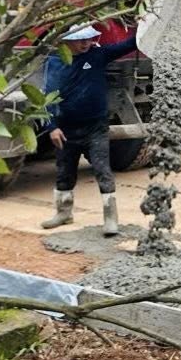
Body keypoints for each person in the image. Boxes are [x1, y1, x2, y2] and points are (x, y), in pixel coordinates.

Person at [40, 24, 139, 236]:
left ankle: (111, 218)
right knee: (64, 172)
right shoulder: (55, 62)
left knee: (103, 169)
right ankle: (63, 212)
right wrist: (52, 127)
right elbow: (47, 96)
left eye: (88, 39)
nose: (86, 43)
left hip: (95, 126)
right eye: (80, 40)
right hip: (66, 129)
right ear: (66, 41)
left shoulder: (97, 55)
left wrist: (141, 26)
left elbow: (130, 44)